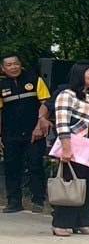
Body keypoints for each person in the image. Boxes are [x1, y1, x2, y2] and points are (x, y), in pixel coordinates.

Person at [49, 62, 89, 237]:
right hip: (74, 143)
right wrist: (66, 149)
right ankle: (61, 222)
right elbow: (62, 123)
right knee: (71, 182)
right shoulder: (67, 95)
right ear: (80, 75)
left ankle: (84, 221)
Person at [1, 53, 51, 213]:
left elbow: (46, 104)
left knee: (35, 164)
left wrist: (39, 125)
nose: (13, 67)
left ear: (20, 64)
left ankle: (38, 200)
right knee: (11, 166)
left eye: (15, 63)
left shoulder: (35, 79)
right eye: (8, 65)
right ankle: (14, 202)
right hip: (10, 134)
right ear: (2, 68)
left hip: (34, 132)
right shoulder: (1, 85)